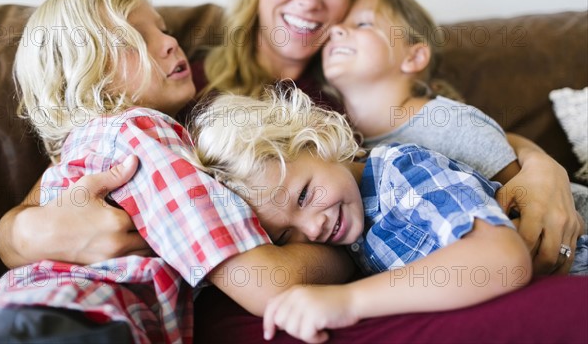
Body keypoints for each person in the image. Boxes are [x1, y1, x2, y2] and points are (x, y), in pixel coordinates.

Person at [0, 0, 585, 341]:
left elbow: (445, 135)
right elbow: (53, 193)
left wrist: (537, 163)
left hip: (353, 284)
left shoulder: (356, 84)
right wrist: (22, 232)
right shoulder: (175, 91)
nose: (310, 0)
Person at [0, 0, 353, 343]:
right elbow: (265, 283)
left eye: (162, 28)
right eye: (135, 38)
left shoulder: (91, 146)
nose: (170, 42)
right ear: (84, 80)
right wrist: (354, 255)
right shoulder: (136, 133)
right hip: (67, 320)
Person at [185, 85, 532, 343]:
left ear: (318, 138)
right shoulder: (347, 232)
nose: (312, 228)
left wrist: (348, 301)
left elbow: (504, 257)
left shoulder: (400, 171)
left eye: (304, 195)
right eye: (285, 236)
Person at [322, 0, 588, 275]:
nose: (336, 31)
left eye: (362, 23)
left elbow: (526, 204)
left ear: (414, 57)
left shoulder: (450, 123)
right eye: (334, 27)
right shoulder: (347, 150)